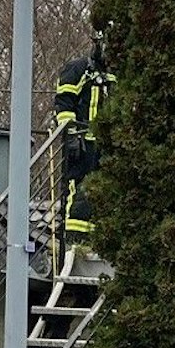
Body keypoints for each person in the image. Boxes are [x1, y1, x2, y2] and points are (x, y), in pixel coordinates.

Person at [53, 34, 114, 265]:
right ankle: (73, 243)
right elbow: (64, 103)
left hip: (107, 146)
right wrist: (70, 134)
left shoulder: (114, 75)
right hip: (81, 144)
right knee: (79, 192)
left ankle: (96, 241)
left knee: (103, 193)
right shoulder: (78, 69)